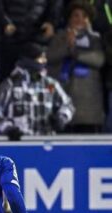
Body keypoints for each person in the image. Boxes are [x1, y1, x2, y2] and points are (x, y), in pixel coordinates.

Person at [0, 44, 75, 139]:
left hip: (45, 142)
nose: (44, 61)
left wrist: (62, 117)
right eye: (41, 58)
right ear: (29, 61)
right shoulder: (10, 85)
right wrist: (8, 128)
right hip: (20, 142)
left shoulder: (49, 84)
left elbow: (67, 104)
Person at [47, 0, 105, 133]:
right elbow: (50, 56)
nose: (80, 19)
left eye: (84, 16)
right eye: (76, 15)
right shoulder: (59, 37)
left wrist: (75, 52)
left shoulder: (95, 39)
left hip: (89, 109)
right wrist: (68, 45)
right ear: (69, 18)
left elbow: (99, 59)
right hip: (62, 106)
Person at [0, 0, 61, 80]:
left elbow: (56, 4)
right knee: (7, 79)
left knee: (37, 80)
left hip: (37, 38)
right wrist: (4, 22)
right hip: (11, 38)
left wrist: (51, 22)